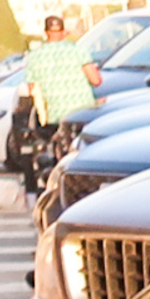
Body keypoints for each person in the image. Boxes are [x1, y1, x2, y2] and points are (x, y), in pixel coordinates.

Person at [16, 14, 100, 182]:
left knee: (60, 155)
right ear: (63, 32)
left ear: (46, 33)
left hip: (55, 115)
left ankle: (62, 182)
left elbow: (32, 89)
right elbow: (96, 80)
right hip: (83, 112)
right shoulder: (78, 51)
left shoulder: (34, 56)